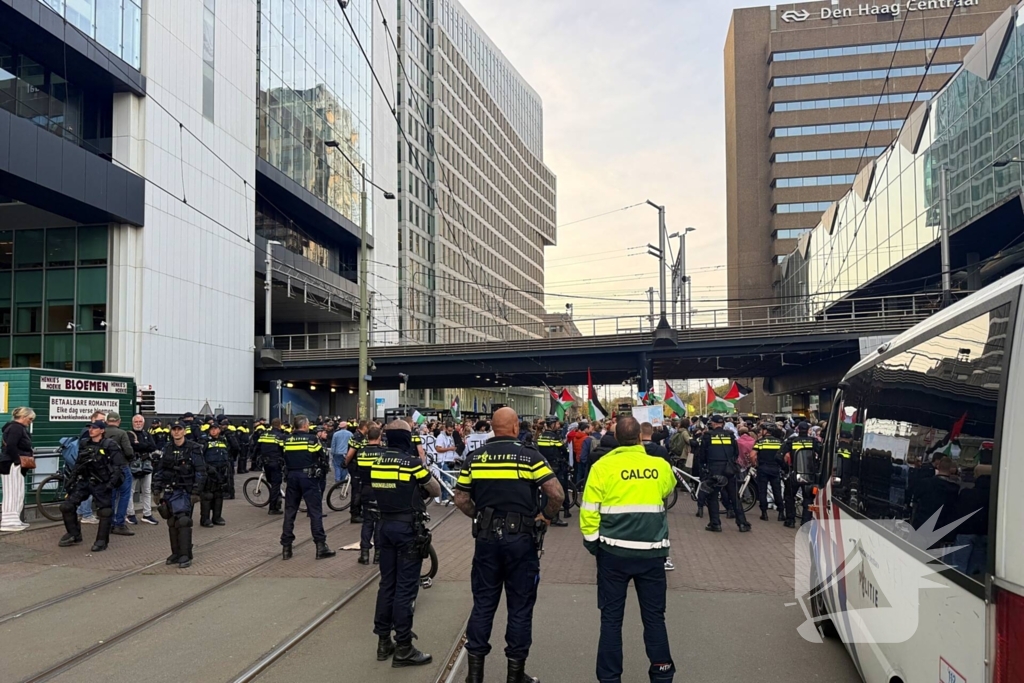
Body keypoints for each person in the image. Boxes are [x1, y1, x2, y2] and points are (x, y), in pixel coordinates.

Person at [454, 407, 564, 683]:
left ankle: (475, 676)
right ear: (515, 427)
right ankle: (515, 676)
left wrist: (481, 517)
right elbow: (557, 494)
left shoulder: (475, 458)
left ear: (493, 427)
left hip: (487, 540)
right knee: (520, 606)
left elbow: (461, 499)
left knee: (483, 605)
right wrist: (546, 517)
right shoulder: (530, 456)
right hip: (521, 542)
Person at [579, 416, 676, 683]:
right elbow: (668, 489)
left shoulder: (602, 467)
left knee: (611, 619)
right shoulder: (659, 466)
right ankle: (662, 673)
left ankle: (610, 678)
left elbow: (588, 512)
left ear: (617, 439)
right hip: (652, 553)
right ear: (640, 438)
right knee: (654, 617)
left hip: (613, 553)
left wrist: (593, 545)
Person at [370, 420, 441, 667]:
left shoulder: (376, 462)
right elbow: (436, 489)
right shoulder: (411, 463)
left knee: (386, 584)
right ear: (406, 439)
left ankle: (383, 642)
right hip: (407, 529)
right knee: (406, 588)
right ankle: (403, 647)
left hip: (384, 527)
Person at [58, 420, 125, 551]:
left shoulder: (110, 445)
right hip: (85, 481)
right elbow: (78, 464)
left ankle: (101, 541)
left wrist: (110, 484)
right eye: (90, 427)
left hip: (102, 483)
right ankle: (73, 534)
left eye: (94, 428)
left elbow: (118, 467)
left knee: (105, 511)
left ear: (102, 430)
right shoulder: (84, 443)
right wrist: (71, 480)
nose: (91, 430)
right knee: (67, 506)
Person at [153, 421, 207, 568]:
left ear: (184, 431)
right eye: (174, 429)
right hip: (170, 490)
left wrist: (196, 491)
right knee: (171, 522)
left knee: (183, 521)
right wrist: (156, 489)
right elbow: (160, 470)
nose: (176, 432)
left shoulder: (193, 448)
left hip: (185, 490)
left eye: (179, 429)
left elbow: (201, 471)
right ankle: (176, 553)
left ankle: (185, 555)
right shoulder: (167, 448)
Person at [281, 415, 335, 560]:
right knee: (315, 512)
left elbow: (284, 457)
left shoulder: (287, 439)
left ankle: (286, 548)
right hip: (309, 478)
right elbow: (322, 456)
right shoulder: (311, 439)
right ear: (305, 425)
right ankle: (320, 546)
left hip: (292, 478)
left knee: (290, 511)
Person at [698, 415, 751, 532]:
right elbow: (736, 453)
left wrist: (705, 467)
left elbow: (702, 455)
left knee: (713, 497)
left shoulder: (707, 436)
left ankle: (715, 524)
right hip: (729, 469)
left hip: (714, 469)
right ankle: (742, 524)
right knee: (734, 497)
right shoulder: (730, 435)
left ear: (713, 423)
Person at [0, 407, 36, 532]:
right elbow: (11, 446)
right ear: (23, 417)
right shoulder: (16, 428)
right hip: (11, 464)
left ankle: (14, 519)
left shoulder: (15, 428)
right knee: (12, 492)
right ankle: (8, 521)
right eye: (30, 419)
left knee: (17, 491)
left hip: (13, 463)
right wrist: (17, 461)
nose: (31, 421)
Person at [782, 422, 822, 528]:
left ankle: (790, 520)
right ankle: (806, 522)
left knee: (789, 497)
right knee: (808, 499)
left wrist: (786, 469)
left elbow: (779, 456)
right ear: (809, 430)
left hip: (795, 473)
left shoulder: (791, 441)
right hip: (809, 474)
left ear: (798, 429)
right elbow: (822, 453)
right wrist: (816, 466)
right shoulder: (814, 441)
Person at [356, 425, 387, 565]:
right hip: (380, 489)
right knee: (380, 522)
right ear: (379, 437)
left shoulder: (361, 452)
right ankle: (378, 555)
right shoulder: (383, 453)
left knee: (367, 522)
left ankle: (364, 554)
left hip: (366, 488)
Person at [105, 412, 136, 537]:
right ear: (119, 421)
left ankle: (109, 522)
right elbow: (128, 451)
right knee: (124, 495)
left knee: (111, 495)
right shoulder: (122, 433)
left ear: (107, 421)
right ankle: (120, 523)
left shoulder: (102, 432)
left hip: (107, 468)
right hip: (122, 466)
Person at [537, 418, 571, 527]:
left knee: (545, 491)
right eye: (556, 423)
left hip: (545, 466)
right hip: (557, 466)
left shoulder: (541, 436)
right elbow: (564, 451)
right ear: (552, 424)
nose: (558, 425)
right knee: (558, 491)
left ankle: (544, 514)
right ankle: (556, 517)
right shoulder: (555, 437)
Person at [128, 414, 159, 525]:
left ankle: (147, 514)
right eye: (136, 421)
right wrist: (144, 446)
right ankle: (130, 514)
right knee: (130, 491)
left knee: (146, 491)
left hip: (146, 466)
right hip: (133, 466)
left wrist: (141, 445)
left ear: (143, 423)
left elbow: (153, 447)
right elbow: (132, 447)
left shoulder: (147, 434)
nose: (138, 423)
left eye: (140, 421)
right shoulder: (129, 434)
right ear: (132, 423)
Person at [199, 421, 232, 527]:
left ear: (219, 430)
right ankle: (205, 519)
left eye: (215, 429)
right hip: (209, 472)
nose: (213, 430)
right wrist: (207, 468)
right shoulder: (204, 441)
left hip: (221, 471)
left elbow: (233, 450)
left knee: (219, 495)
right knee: (207, 496)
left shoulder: (224, 440)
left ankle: (217, 517)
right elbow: (200, 456)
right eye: (211, 429)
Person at [752, 424, 784, 522]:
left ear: (765, 431)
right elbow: (784, 456)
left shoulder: (760, 441)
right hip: (775, 469)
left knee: (763, 491)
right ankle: (781, 513)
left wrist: (755, 464)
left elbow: (752, 455)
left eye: (761, 429)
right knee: (777, 491)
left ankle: (764, 513)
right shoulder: (780, 442)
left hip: (763, 468)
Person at [255, 418, 286, 515]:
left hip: (265, 463)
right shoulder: (280, 436)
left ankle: (277, 499)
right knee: (276, 484)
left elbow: (257, 447)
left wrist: (253, 459)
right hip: (276, 463)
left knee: (272, 483)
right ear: (280, 425)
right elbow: (284, 450)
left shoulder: (264, 434)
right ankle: (273, 508)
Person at [345, 420, 369, 524]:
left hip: (358, 467)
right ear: (365, 427)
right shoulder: (358, 437)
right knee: (357, 491)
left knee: (360, 490)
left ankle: (359, 511)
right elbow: (350, 453)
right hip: (355, 467)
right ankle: (355, 514)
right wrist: (346, 463)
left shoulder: (360, 436)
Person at [330, 420, 353, 485]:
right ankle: (343, 481)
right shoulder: (350, 434)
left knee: (337, 467)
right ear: (346, 426)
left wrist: (332, 453)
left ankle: (337, 480)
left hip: (337, 453)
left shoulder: (336, 434)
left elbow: (333, 444)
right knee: (344, 467)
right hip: (346, 453)